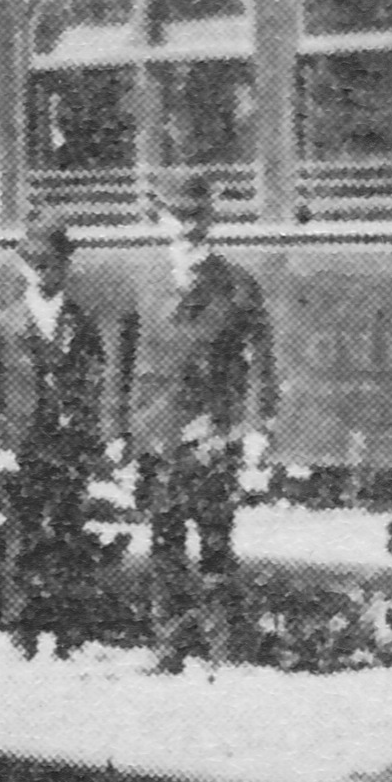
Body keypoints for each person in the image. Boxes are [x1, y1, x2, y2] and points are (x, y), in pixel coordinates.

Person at [119, 171, 274, 672]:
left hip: (214, 434)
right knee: (163, 546)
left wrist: (255, 431)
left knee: (215, 547)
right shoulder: (141, 283)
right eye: (177, 216)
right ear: (160, 218)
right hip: (157, 434)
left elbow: (260, 366)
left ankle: (225, 655)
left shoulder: (237, 286)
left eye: (196, 216)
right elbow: (119, 366)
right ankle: (169, 650)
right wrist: (116, 435)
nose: (186, 226)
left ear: (210, 218)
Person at [0, 209, 115, 660]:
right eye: (34, 265)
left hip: (67, 447)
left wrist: (91, 437)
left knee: (66, 535)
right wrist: (1, 447)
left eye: (51, 265)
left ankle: (68, 633)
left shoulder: (82, 322)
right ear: (21, 267)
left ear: (65, 266)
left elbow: (95, 381)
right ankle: (21, 631)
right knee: (22, 538)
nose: (42, 274)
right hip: (22, 448)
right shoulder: (4, 324)